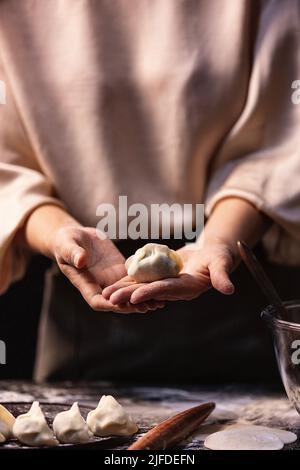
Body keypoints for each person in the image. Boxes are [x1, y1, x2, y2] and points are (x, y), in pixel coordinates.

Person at [0, 0, 299, 382]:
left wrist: (219, 240)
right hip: (89, 289)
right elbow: (5, 167)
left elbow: (285, 137)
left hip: (234, 290)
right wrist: (59, 234)